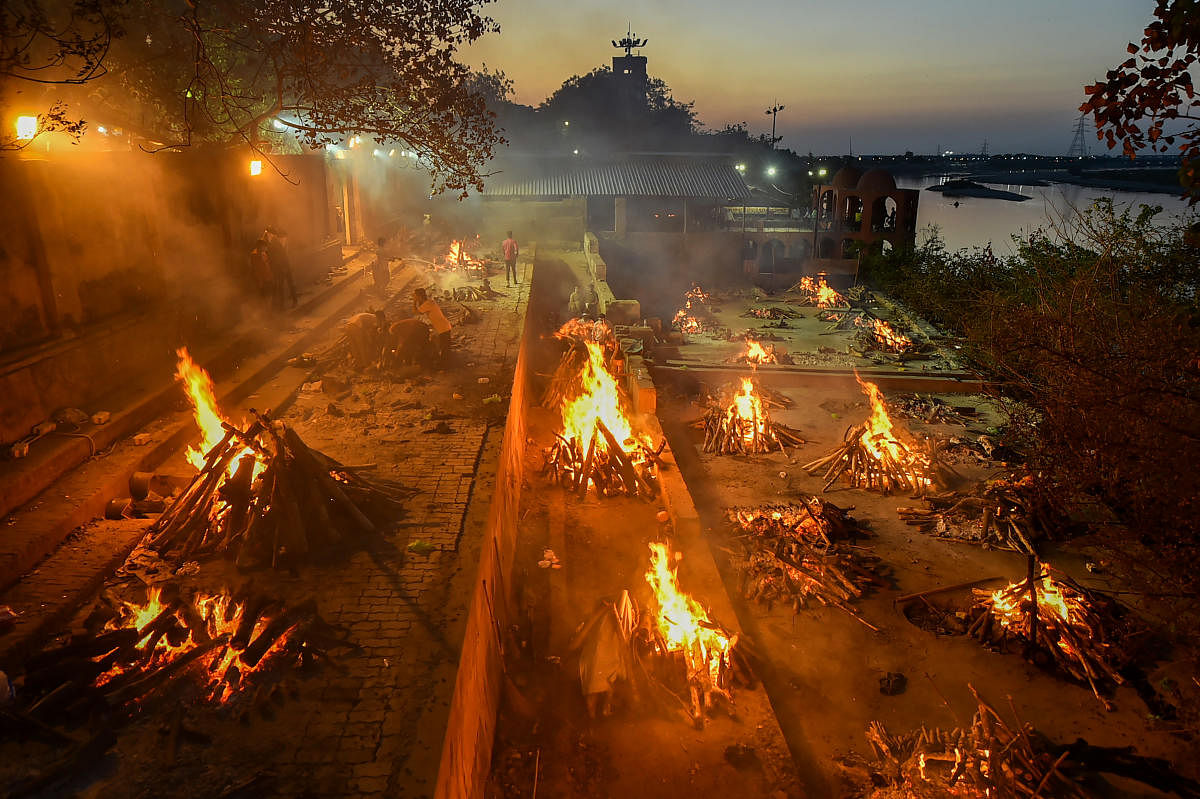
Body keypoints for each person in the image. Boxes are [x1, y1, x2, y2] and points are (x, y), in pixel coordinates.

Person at [413, 287, 452, 365]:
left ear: (419, 296)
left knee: (445, 350)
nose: (413, 297)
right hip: (443, 326)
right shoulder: (428, 302)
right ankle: (445, 364)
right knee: (444, 348)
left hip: (443, 328)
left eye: (415, 296)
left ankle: (445, 367)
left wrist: (414, 302)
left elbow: (416, 312)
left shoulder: (427, 304)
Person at [265, 227, 298, 308]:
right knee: (282, 286)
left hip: (284, 267)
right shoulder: (273, 243)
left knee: (286, 284)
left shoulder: (275, 242)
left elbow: (281, 256)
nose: (284, 240)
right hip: (281, 267)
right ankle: (284, 304)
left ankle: (292, 302)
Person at [249, 239, 274, 304]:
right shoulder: (255, 256)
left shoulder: (265, 254)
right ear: (261, 247)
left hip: (268, 278)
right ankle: (266, 311)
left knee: (269, 296)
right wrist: (260, 282)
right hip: (263, 280)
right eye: (265, 246)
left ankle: (268, 311)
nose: (266, 248)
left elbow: (268, 266)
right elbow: (257, 270)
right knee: (265, 298)